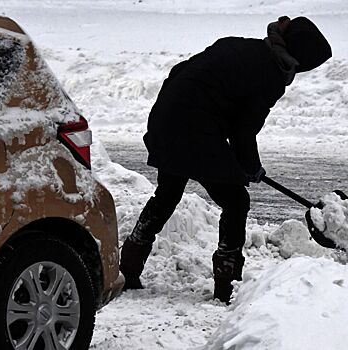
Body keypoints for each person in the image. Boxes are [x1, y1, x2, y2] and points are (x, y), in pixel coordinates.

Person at [119, 16, 332, 303]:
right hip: (194, 127)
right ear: (299, 59)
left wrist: (242, 162)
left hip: (167, 116)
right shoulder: (269, 75)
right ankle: (227, 285)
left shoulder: (244, 48)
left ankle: (128, 267)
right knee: (236, 201)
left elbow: (188, 76)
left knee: (167, 193)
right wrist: (251, 166)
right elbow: (243, 131)